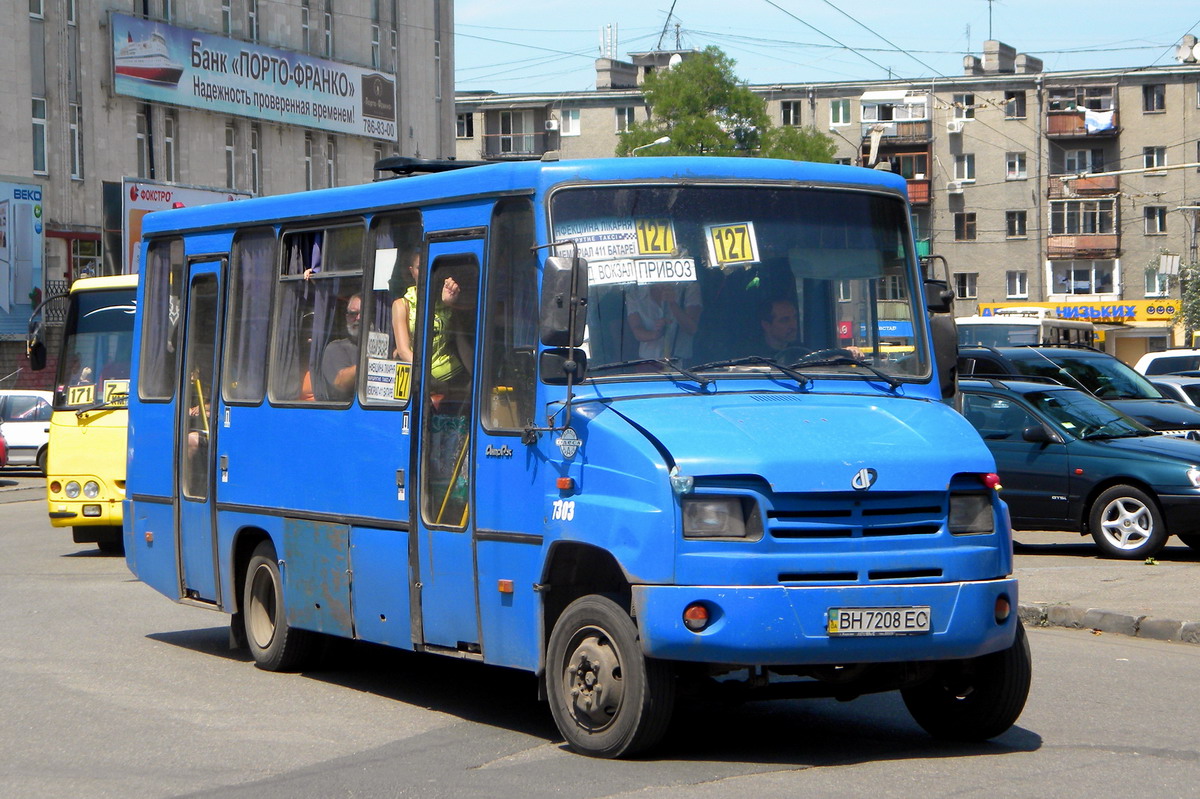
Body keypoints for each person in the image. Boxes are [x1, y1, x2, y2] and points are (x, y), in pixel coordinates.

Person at [627, 281, 702, 361]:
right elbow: (636, 330)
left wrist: (673, 304)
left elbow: (691, 329)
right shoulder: (635, 291)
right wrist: (655, 334)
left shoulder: (689, 287)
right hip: (648, 364)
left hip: (681, 364)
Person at [318, 293, 362, 401]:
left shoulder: (386, 347)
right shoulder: (336, 348)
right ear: (347, 317)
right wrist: (371, 363)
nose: (359, 318)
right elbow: (340, 383)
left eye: (364, 313)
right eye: (353, 313)